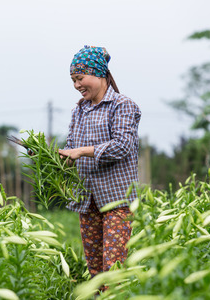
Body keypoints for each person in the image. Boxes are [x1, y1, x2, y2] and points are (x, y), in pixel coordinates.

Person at [58, 45, 141, 283]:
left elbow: (123, 145)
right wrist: (55, 157)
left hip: (117, 201)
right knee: (95, 272)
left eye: (80, 78)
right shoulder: (79, 110)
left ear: (98, 73)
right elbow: (71, 147)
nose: (77, 85)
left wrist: (82, 151)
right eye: (73, 80)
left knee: (113, 268)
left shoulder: (122, 105)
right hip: (88, 201)